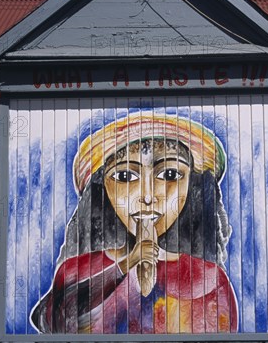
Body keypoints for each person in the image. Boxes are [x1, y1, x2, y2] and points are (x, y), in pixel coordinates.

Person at [31, 114, 238, 334]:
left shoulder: (210, 279)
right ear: (103, 190)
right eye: (124, 176)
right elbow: (53, 322)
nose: (147, 197)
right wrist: (127, 264)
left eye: (169, 174)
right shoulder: (77, 270)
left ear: (192, 186)